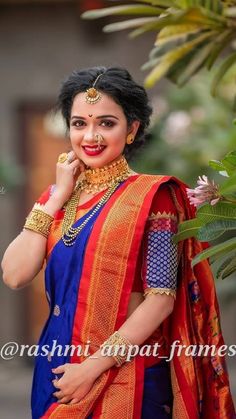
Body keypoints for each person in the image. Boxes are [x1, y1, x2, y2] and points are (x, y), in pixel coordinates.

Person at [1, 66, 235, 419]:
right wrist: (55, 198)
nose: (90, 136)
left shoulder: (155, 198)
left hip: (125, 376)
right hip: (56, 370)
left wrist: (91, 368)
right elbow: (15, 275)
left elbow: (160, 301)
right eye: (79, 123)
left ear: (132, 129)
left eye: (106, 123)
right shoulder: (56, 197)